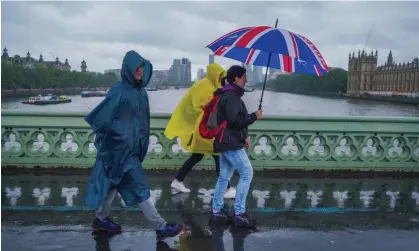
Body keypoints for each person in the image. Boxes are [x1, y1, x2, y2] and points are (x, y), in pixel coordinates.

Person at [84, 50, 184, 240]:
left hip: (131, 151)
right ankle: (161, 226)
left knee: (113, 183)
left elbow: (142, 122)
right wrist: (117, 138)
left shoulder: (141, 93)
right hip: (118, 151)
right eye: (136, 68)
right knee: (139, 186)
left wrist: (138, 144)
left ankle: (100, 219)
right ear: (128, 69)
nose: (139, 71)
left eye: (141, 68)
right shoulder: (118, 91)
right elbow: (102, 117)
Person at [164, 63, 236, 199]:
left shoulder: (213, 86)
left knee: (197, 156)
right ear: (215, 75)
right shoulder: (203, 86)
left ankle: (178, 180)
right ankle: (226, 189)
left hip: (204, 131)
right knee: (217, 155)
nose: (222, 79)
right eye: (221, 76)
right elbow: (202, 106)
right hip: (204, 131)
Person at [209, 65, 263, 227]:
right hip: (230, 143)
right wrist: (254, 116)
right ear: (235, 79)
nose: (246, 79)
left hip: (225, 141)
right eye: (244, 76)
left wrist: (244, 136)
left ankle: (216, 210)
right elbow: (235, 121)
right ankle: (239, 212)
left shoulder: (226, 94)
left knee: (224, 177)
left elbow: (232, 120)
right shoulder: (232, 96)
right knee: (247, 173)